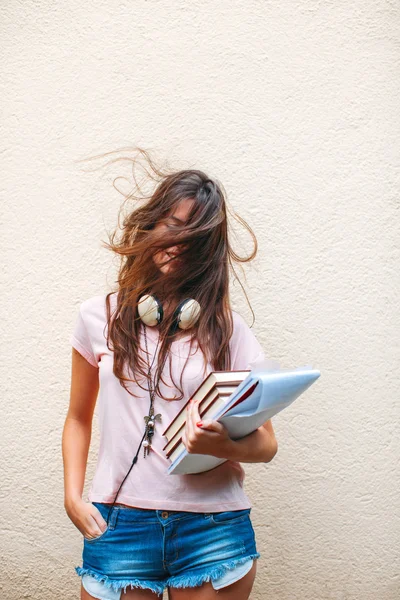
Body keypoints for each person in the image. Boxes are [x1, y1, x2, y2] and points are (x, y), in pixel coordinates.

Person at [62, 153, 278, 600]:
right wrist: (72, 497)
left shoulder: (227, 328)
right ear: (151, 224)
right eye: (173, 226)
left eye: (195, 238)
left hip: (212, 526)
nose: (180, 244)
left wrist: (221, 444)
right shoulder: (95, 317)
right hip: (118, 521)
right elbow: (78, 418)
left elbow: (268, 444)